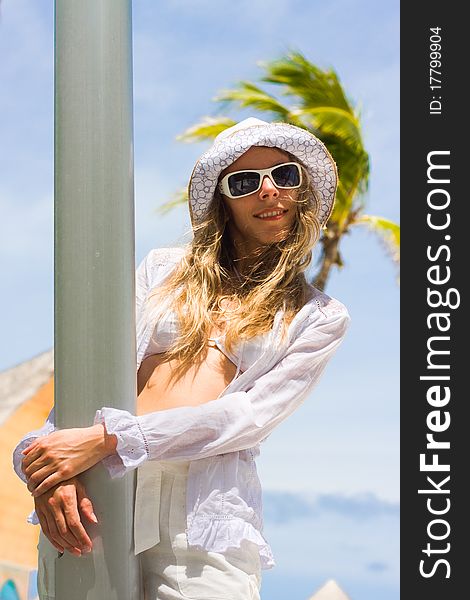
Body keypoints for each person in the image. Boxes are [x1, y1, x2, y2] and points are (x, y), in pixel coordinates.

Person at [12, 117, 350, 600]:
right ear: (224, 202)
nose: (269, 190)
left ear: (303, 189)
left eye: (284, 174)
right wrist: (47, 471)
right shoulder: (162, 269)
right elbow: (89, 371)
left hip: (206, 515)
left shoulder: (320, 316)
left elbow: (247, 417)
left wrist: (109, 438)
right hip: (100, 491)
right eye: (245, 181)